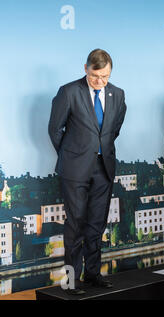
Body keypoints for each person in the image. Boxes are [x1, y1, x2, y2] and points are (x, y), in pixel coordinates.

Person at [48, 49, 127, 295]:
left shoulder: (118, 94)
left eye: (105, 76)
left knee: (96, 224)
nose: (100, 81)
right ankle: (71, 281)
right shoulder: (68, 92)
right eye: (96, 76)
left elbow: (114, 129)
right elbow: (55, 130)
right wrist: (73, 155)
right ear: (85, 68)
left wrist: (99, 150)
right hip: (75, 170)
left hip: (104, 168)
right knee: (76, 225)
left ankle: (93, 274)